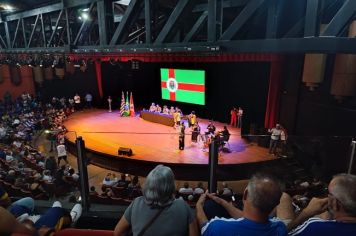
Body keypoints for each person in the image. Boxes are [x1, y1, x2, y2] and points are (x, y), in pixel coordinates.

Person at [114, 165, 198, 236]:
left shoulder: (137, 203)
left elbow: (117, 233)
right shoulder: (182, 206)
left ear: (148, 183)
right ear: (170, 186)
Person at [196, 174, 287, 236]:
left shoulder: (218, 228)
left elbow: (204, 226)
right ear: (277, 203)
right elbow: (253, 219)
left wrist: (199, 205)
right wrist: (222, 202)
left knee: (209, 206)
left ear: (245, 194)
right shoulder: (280, 228)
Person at [288, 173, 356, 235]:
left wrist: (305, 213)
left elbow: (281, 234)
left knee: (284, 197)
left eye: (328, 192)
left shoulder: (315, 227)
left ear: (334, 203)